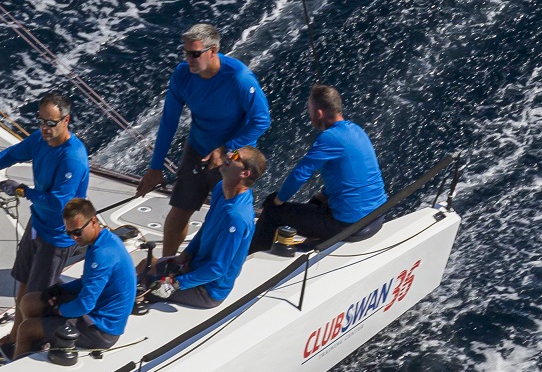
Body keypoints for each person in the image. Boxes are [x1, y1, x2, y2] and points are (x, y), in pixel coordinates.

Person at [0, 91, 91, 343]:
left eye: (51, 123)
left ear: (66, 121)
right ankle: (14, 337)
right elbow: (9, 155)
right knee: (23, 288)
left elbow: (59, 203)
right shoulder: (40, 139)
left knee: (34, 300)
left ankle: (26, 341)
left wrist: (22, 191)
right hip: (37, 225)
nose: (44, 128)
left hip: (57, 237)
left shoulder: (72, 158)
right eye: (41, 121)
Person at [131, 23, 270, 260]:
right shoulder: (182, 74)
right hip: (197, 149)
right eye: (185, 53)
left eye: (194, 54)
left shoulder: (239, 78)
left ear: (213, 51)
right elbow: (168, 122)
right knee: (179, 209)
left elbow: (261, 120)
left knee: (221, 218)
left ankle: (205, 269)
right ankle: (166, 264)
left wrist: (226, 149)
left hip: (232, 158)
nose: (188, 59)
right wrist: (155, 168)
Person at [253, 84, 388, 249]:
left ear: (319, 113)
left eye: (310, 110)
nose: (309, 115)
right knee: (315, 202)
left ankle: (252, 256)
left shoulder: (329, 138)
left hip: (349, 225)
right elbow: (352, 178)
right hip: (375, 216)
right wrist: (322, 196)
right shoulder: (357, 130)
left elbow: (300, 174)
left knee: (272, 212)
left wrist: (277, 200)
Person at [12, 197, 135, 363]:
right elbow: (86, 282)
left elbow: (85, 304)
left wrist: (58, 310)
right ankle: (37, 344)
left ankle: (21, 362)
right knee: (30, 301)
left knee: (26, 329)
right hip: (93, 313)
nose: (73, 238)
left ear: (93, 221)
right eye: (68, 233)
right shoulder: (103, 240)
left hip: (100, 329)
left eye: (77, 232)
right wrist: (60, 290)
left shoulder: (102, 254)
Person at [139, 145, 264, 309]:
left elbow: (218, 269)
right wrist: (185, 255)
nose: (228, 155)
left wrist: (175, 283)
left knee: (142, 284)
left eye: (235, 157)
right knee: (144, 265)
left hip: (207, 289)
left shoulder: (236, 218)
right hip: (193, 267)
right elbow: (206, 227)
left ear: (245, 174)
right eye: (232, 152)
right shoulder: (221, 188)